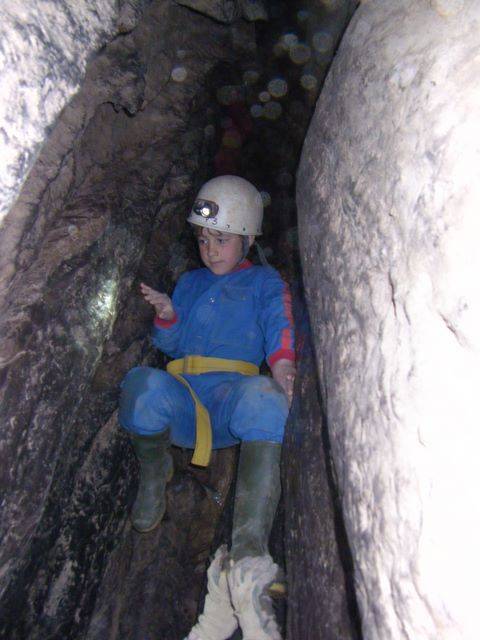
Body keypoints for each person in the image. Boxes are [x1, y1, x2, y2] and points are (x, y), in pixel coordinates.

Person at [118, 175, 295, 640]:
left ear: (248, 238)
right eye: (203, 239)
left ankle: (248, 546)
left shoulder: (263, 280)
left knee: (264, 398)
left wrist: (283, 368)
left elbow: (280, 324)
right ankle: (155, 474)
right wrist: (167, 315)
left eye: (221, 239)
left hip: (232, 401)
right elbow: (169, 343)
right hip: (186, 397)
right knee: (141, 384)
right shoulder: (190, 282)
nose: (210, 248)